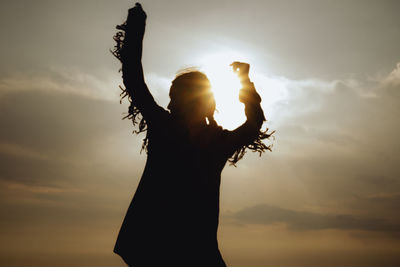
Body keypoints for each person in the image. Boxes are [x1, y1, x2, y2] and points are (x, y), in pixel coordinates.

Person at [112, 3, 272, 267]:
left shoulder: (178, 130)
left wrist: (135, 30)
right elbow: (254, 124)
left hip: (182, 246)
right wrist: (244, 82)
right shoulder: (176, 130)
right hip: (160, 245)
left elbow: (134, 80)